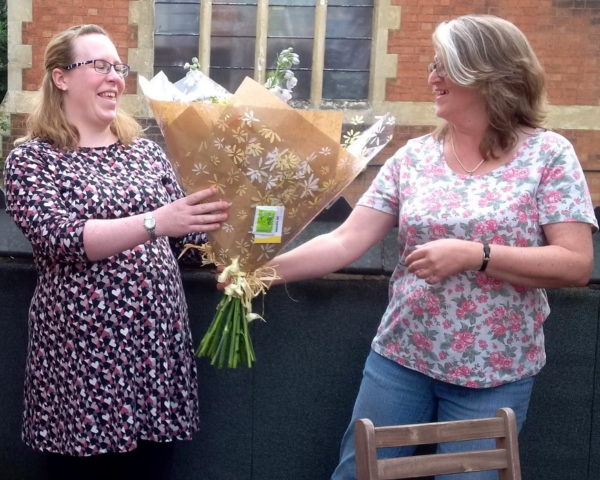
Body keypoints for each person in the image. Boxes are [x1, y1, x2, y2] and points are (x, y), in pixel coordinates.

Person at [266, 14, 597, 480]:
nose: (432, 77)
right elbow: (346, 239)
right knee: (359, 474)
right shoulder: (413, 157)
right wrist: (260, 273)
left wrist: (475, 254)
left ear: (487, 73)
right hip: (402, 358)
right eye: (432, 65)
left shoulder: (548, 155)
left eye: (445, 66)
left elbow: (576, 262)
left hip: (494, 371)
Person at [3, 24, 230, 480]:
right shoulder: (32, 159)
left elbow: (186, 243)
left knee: (152, 469)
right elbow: (58, 237)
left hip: (155, 349)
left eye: (119, 67)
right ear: (61, 77)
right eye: (100, 65)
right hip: (84, 354)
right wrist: (154, 222)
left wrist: (233, 239)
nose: (115, 77)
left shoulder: (145, 153)